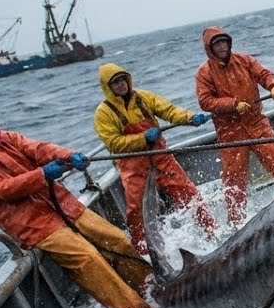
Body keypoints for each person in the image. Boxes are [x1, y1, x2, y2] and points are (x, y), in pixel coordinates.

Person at [0, 106, 157, 308]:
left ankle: (154, 290)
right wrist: (42, 174)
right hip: (34, 226)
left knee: (117, 239)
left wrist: (68, 155)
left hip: (64, 205)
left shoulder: (7, 138)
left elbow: (39, 148)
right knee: (88, 259)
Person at [93, 62, 218, 254]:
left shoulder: (143, 97)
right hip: (133, 167)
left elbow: (169, 111)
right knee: (137, 210)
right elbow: (113, 143)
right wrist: (143, 138)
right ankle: (144, 253)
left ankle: (213, 233)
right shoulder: (103, 113)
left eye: (122, 80)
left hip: (161, 158)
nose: (121, 84)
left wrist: (190, 118)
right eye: (115, 82)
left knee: (190, 194)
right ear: (107, 87)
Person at [195, 26, 274, 227]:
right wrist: (232, 105)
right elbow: (205, 101)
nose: (221, 47)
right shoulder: (204, 72)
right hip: (231, 133)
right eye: (217, 44)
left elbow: (263, 74)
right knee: (234, 181)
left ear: (229, 42)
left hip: (257, 124)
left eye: (223, 42)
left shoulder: (244, 60)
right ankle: (236, 224)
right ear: (210, 48)